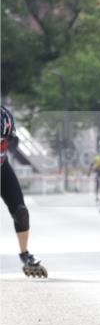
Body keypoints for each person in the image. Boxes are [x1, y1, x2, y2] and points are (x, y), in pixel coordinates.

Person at [0, 104, 48, 278]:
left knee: (21, 212)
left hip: (2, 168)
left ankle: (25, 255)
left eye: (2, 139)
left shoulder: (6, 121)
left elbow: (13, 142)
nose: (0, 142)